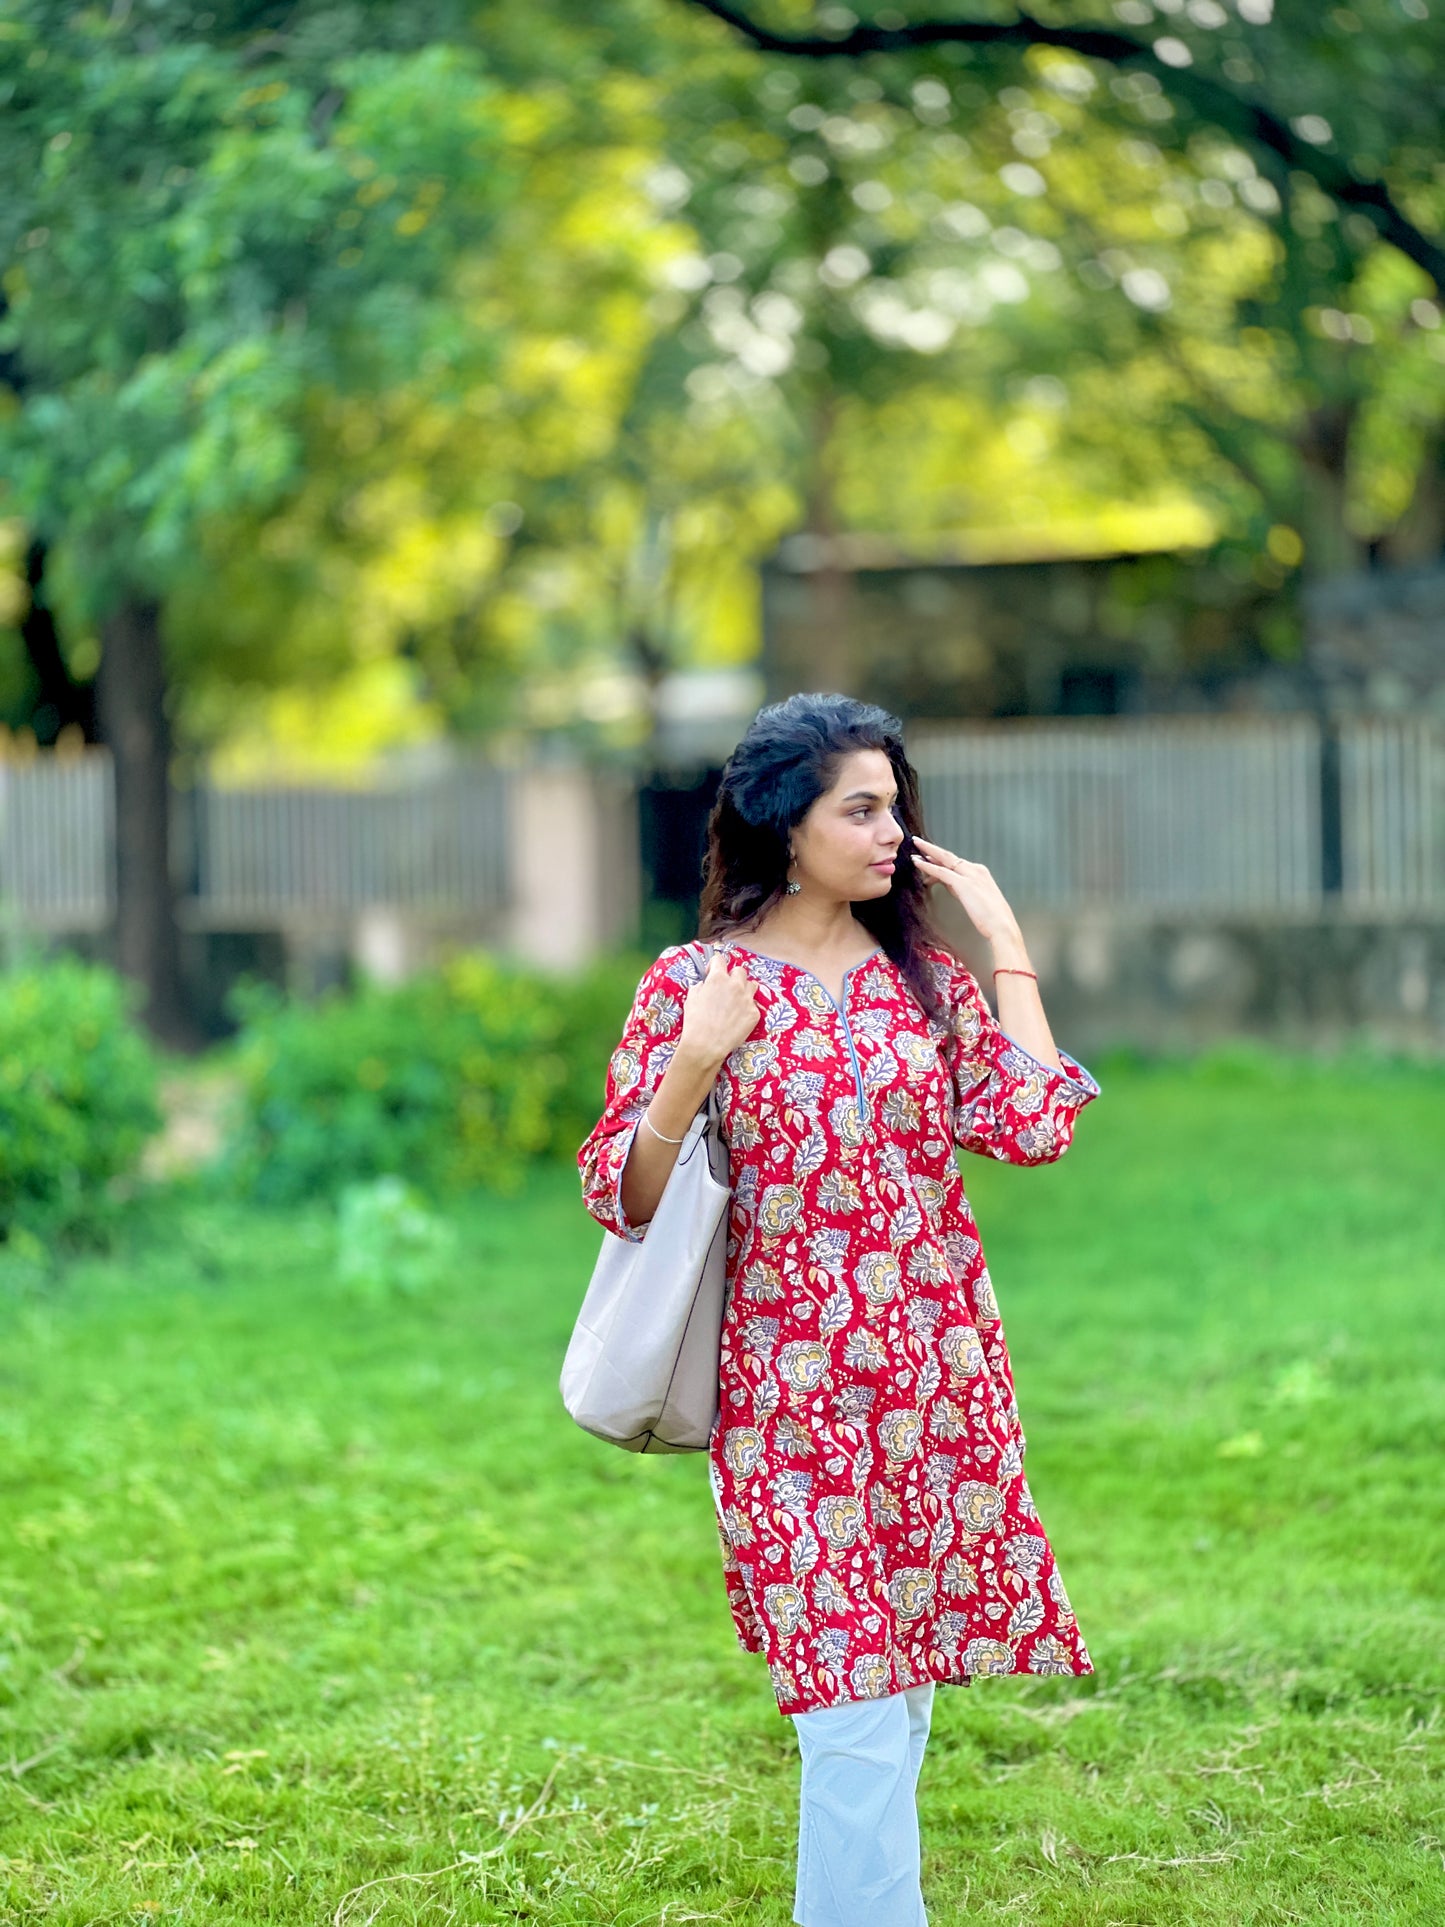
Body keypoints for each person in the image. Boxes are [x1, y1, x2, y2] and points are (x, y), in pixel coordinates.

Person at [577, 692, 1101, 1926]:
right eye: (858, 808)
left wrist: (1003, 941)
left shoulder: (917, 979)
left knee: (894, 1701)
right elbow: (623, 1190)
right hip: (789, 1406)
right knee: (854, 1710)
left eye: (893, 806)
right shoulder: (693, 983)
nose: (889, 831)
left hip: (936, 1392)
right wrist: (697, 1058)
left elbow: (1028, 1123)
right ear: (783, 822)